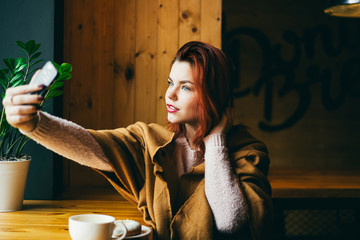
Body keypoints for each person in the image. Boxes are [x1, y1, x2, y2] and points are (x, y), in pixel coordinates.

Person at [3, 41, 273, 239]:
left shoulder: (248, 152)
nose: (170, 94)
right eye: (170, 82)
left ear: (214, 95)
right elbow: (91, 144)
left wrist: (216, 141)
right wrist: (34, 124)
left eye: (186, 87)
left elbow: (230, 221)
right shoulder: (150, 140)